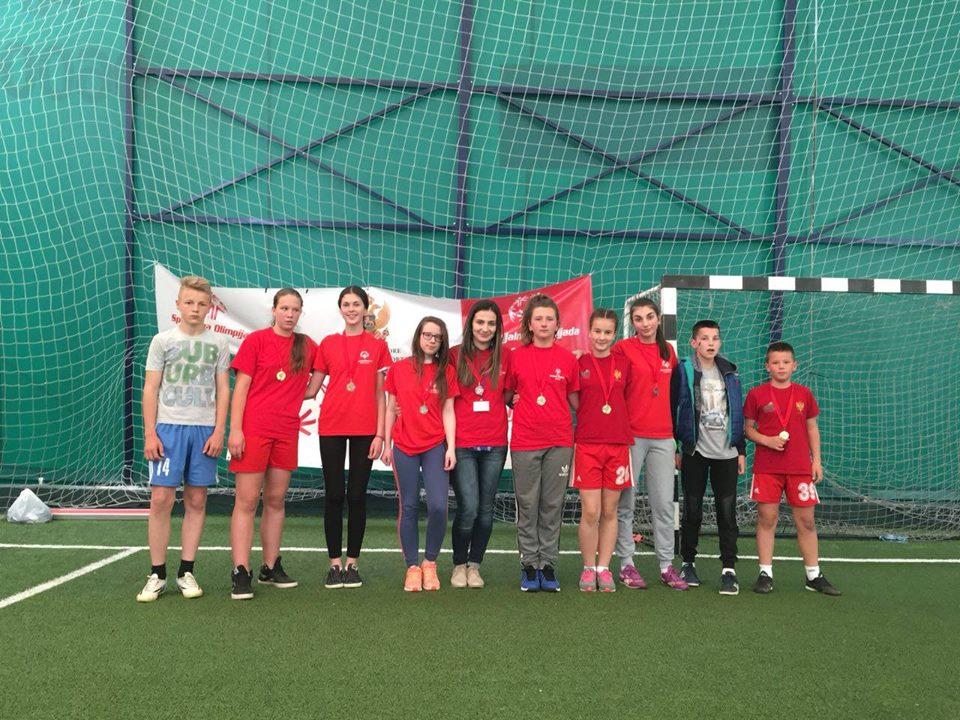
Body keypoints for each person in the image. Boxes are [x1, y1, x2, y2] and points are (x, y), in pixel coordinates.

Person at [137, 275, 230, 602]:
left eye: (201, 303)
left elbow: (223, 389)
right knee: (161, 500)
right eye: (189, 302)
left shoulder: (219, 343)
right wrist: (151, 432)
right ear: (178, 304)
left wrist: (219, 430)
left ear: (210, 307)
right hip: (168, 429)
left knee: (197, 500)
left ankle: (186, 571)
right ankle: (157, 573)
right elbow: (150, 388)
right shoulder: (162, 341)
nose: (195, 308)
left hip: (204, 431)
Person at [227, 288, 316, 600]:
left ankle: (270, 566)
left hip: (286, 431)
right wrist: (235, 430)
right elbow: (241, 388)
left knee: (276, 500)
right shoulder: (256, 341)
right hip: (253, 430)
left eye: (295, 310)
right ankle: (241, 570)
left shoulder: (307, 345)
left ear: (300, 313)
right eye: (284, 308)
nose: (289, 314)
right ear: (274, 310)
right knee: (247, 500)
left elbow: (322, 373)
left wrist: (310, 389)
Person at [306, 286, 392, 589]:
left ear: (365, 309)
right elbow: (311, 389)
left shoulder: (378, 345)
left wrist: (380, 434)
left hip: (366, 430)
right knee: (333, 496)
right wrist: (273, 386)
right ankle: (334, 565)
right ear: (340, 308)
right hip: (331, 426)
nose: (352, 309)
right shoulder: (328, 343)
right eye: (346, 304)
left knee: (356, 496)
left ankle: (352, 563)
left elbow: (382, 394)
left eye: (357, 304)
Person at [744, 341, 840, 596]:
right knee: (767, 519)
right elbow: (748, 429)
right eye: (775, 362)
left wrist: (816, 460)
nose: (781, 367)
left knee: (806, 521)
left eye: (786, 362)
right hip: (767, 467)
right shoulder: (756, 394)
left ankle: (813, 575)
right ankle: (765, 573)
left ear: (794, 365)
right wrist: (767, 440)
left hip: (799, 467)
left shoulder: (804, 394)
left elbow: (812, 428)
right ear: (767, 366)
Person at [505, 294, 580, 593]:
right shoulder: (515, 356)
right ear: (529, 324)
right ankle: (528, 564)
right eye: (539, 318)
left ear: (558, 324)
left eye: (550, 319)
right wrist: (512, 399)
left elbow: (576, 401)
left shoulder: (568, 359)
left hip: (559, 441)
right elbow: (506, 394)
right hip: (525, 441)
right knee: (527, 504)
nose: (544, 323)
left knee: (551, 505)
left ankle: (547, 565)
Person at [613, 298, 688, 590]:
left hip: (663, 438)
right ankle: (626, 564)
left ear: (658, 318)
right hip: (631, 436)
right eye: (638, 318)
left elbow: (674, 398)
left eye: (649, 317)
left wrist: (677, 441)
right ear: (632, 322)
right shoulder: (623, 349)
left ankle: (666, 565)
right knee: (626, 503)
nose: (645, 323)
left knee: (664, 504)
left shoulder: (669, 351)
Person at [382, 317, 458, 592]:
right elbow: (390, 407)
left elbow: (448, 410)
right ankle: (412, 566)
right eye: (427, 335)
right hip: (404, 446)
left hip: (435, 445)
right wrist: (387, 443)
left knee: (438, 505)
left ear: (442, 341)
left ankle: (430, 563)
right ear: (418, 336)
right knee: (409, 506)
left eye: (437, 336)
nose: (431, 340)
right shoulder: (399, 369)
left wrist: (451, 447)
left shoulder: (447, 371)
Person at [671, 320, 745, 595]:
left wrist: (740, 449)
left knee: (727, 512)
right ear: (694, 343)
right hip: (695, 452)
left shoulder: (730, 373)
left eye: (715, 338)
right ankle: (688, 563)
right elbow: (674, 407)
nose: (710, 343)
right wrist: (677, 446)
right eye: (704, 338)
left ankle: (729, 569)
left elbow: (736, 412)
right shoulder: (685, 370)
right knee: (692, 510)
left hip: (726, 454)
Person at [449, 301, 509, 589]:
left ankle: (475, 566)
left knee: (486, 510)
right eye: (480, 322)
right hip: (462, 443)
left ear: (498, 328)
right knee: (469, 507)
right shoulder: (453, 355)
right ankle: (458, 565)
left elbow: (511, 393)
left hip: (495, 443)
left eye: (491, 324)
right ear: (470, 324)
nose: (485, 328)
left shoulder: (506, 356)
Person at [573, 309, 633, 593]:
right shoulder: (579, 363)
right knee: (591, 511)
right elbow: (574, 399)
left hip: (618, 444)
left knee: (610, 510)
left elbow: (628, 398)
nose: (601, 337)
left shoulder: (624, 364)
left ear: (615, 334)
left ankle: (604, 568)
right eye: (597, 331)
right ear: (589, 332)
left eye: (607, 332)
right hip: (587, 444)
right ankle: (588, 567)